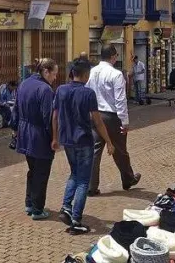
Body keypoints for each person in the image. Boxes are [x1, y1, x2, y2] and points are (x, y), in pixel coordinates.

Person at [54, 58, 113, 235]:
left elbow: (55, 116)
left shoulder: (61, 90)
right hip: (84, 140)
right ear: (86, 75)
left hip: (67, 141)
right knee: (83, 181)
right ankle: (76, 220)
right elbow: (98, 121)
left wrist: (55, 138)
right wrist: (109, 142)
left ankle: (66, 207)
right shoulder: (88, 94)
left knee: (74, 173)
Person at [86, 46, 142, 195]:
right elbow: (120, 100)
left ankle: (91, 186)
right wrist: (124, 121)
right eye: (116, 55)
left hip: (95, 114)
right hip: (112, 116)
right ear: (112, 57)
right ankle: (128, 178)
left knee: (95, 151)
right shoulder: (116, 74)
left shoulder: (92, 72)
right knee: (120, 150)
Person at [15, 58, 60, 220]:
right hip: (39, 136)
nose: (55, 78)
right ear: (46, 71)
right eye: (54, 74)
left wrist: (15, 130)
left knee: (33, 170)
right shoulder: (45, 90)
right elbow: (49, 118)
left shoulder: (24, 84)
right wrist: (54, 138)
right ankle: (37, 209)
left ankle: (30, 202)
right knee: (41, 173)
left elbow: (15, 111)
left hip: (24, 133)